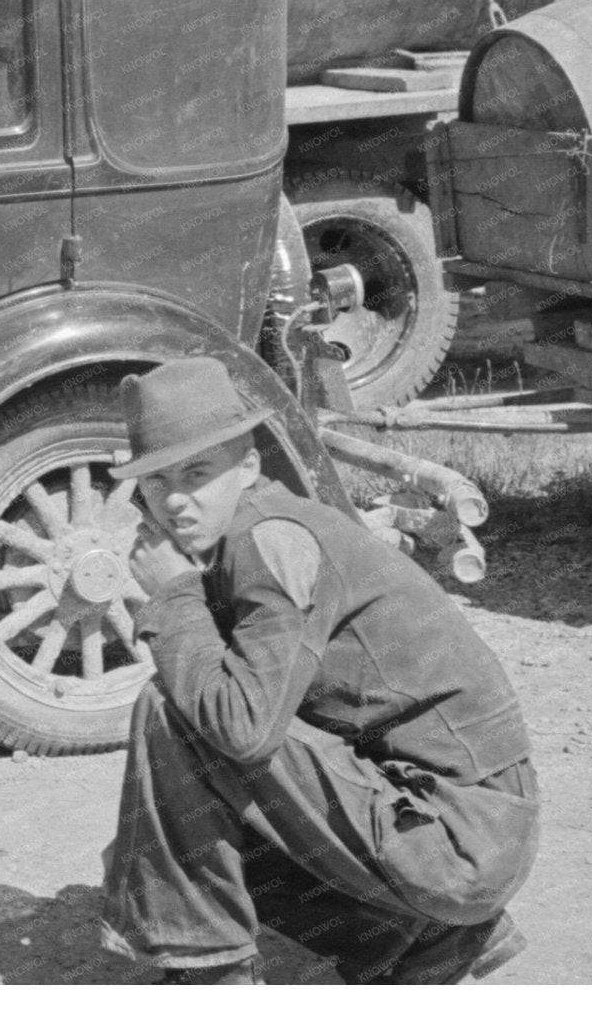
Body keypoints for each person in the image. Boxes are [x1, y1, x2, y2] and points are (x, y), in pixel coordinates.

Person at [98, 356, 538, 984]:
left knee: (175, 713)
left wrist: (173, 597)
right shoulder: (259, 529)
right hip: (467, 832)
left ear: (248, 467)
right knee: (157, 830)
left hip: (457, 837)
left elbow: (242, 729)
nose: (174, 501)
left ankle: (210, 972)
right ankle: (420, 938)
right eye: (155, 480)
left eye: (197, 473)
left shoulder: (270, 541)